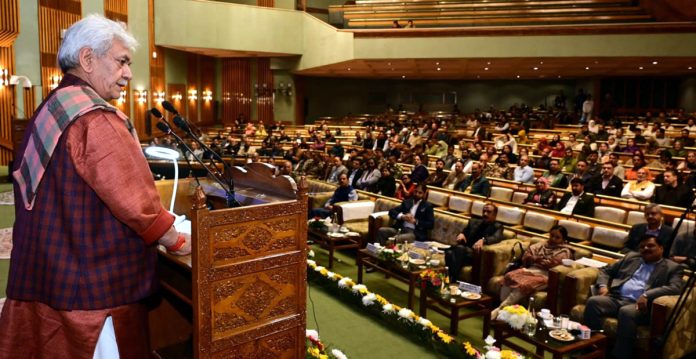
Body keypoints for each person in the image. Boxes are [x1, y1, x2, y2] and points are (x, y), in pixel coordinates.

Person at [0, 15, 191, 358]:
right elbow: (138, 206)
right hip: (93, 292)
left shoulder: (50, 107)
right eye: (121, 62)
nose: (129, 74)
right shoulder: (96, 119)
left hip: (50, 274)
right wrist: (176, 240)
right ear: (87, 59)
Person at [583, 235, 683, 359]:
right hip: (618, 298)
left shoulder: (672, 267)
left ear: (661, 248)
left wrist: (647, 294)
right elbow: (606, 270)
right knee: (593, 302)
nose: (646, 248)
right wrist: (603, 286)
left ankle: (620, 356)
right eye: (642, 247)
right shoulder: (631, 257)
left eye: (650, 245)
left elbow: (676, 287)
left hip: (641, 307)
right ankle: (592, 347)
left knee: (626, 312)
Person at [491, 225, 574, 319]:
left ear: (563, 239)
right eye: (552, 236)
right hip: (531, 270)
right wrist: (536, 259)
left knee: (525, 284)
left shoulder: (565, 251)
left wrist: (537, 259)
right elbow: (527, 255)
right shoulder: (542, 244)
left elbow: (553, 263)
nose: (553, 239)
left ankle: (499, 309)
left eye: (557, 237)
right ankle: (505, 311)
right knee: (509, 276)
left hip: (546, 275)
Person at [444, 203, 504, 282]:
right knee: (449, 253)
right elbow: (465, 231)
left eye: (489, 212)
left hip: (476, 254)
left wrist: (483, 240)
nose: (485, 214)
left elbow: (496, 238)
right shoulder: (474, 222)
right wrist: (462, 234)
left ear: (495, 215)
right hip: (464, 252)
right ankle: (448, 278)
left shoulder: (497, 226)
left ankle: (451, 279)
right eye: (484, 211)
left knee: (458, 249)